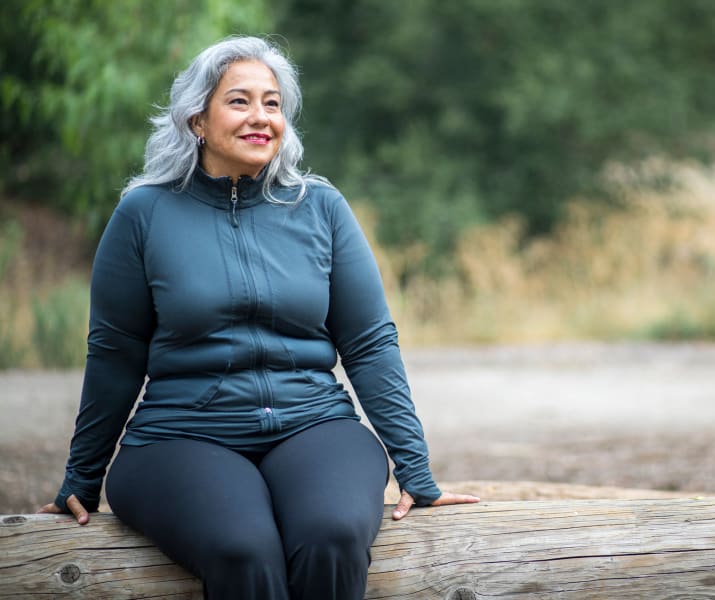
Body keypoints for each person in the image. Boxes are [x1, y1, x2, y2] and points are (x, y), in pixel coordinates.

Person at [38, 35, 479, 599]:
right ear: (197, 119)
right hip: (182, 435)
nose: (261, 118)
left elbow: (369, 344)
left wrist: (416, 470)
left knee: (332, 534)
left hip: (313, 423)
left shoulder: (320, 206)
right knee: (244, 549)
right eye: (239, 101)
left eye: (272, 104)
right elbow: (115, 354)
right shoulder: (143, 214)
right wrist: (82, 475)